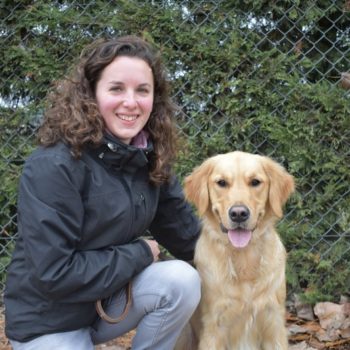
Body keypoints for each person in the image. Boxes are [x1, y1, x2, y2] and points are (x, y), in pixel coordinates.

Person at [4, 35, 201, 350]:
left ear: (155, 99)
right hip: (47, 323)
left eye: (142, 90)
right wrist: (140, 253)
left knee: (182, 280)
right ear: (91, 94)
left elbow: (187, 235)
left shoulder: (147, 157)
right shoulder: (54, 166)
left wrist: (246, 259)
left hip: (104, 308)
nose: (131, 102)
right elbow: (55, 274)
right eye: (116, 88)